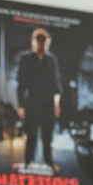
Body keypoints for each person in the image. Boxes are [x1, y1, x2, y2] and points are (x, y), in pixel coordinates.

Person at [16, 28, 62, 172]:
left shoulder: (51, 59)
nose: (43, 46)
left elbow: (56, 83)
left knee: (47, 135)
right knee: (32, 134)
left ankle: (49, 161)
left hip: (48, 102)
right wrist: (21, 106)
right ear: (34, 42)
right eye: (40, 42)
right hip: (32, 102)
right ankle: (29, 161)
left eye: (45, 43)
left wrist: (56, 103)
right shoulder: (26, 58)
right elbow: (21, 84)